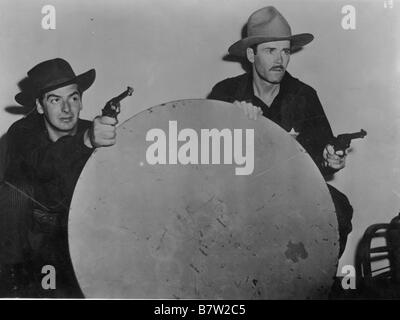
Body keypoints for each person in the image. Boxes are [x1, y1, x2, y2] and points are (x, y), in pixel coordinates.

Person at [208, 6, 353, 258]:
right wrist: (231, 120)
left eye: (285, 51)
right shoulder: (226, 93)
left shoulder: (304, 96)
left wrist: (331, 159)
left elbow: (322, 157)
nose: (280, 60)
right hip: (238, 191)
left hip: (292, 191)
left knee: (338, 209)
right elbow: (201, 158)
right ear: (251, 55)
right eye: (270, 51)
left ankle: (313, 286)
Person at [1, 58, 117, 297]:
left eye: (73, 98)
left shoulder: (93, 130)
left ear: (81, 101)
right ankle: (8, 278)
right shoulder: (22, 132)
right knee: (13, 192)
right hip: (31, 243)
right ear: (40, 106)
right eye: (55, 99)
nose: (66, 109)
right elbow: (41, 164)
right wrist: (85, 142)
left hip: (86, 235)